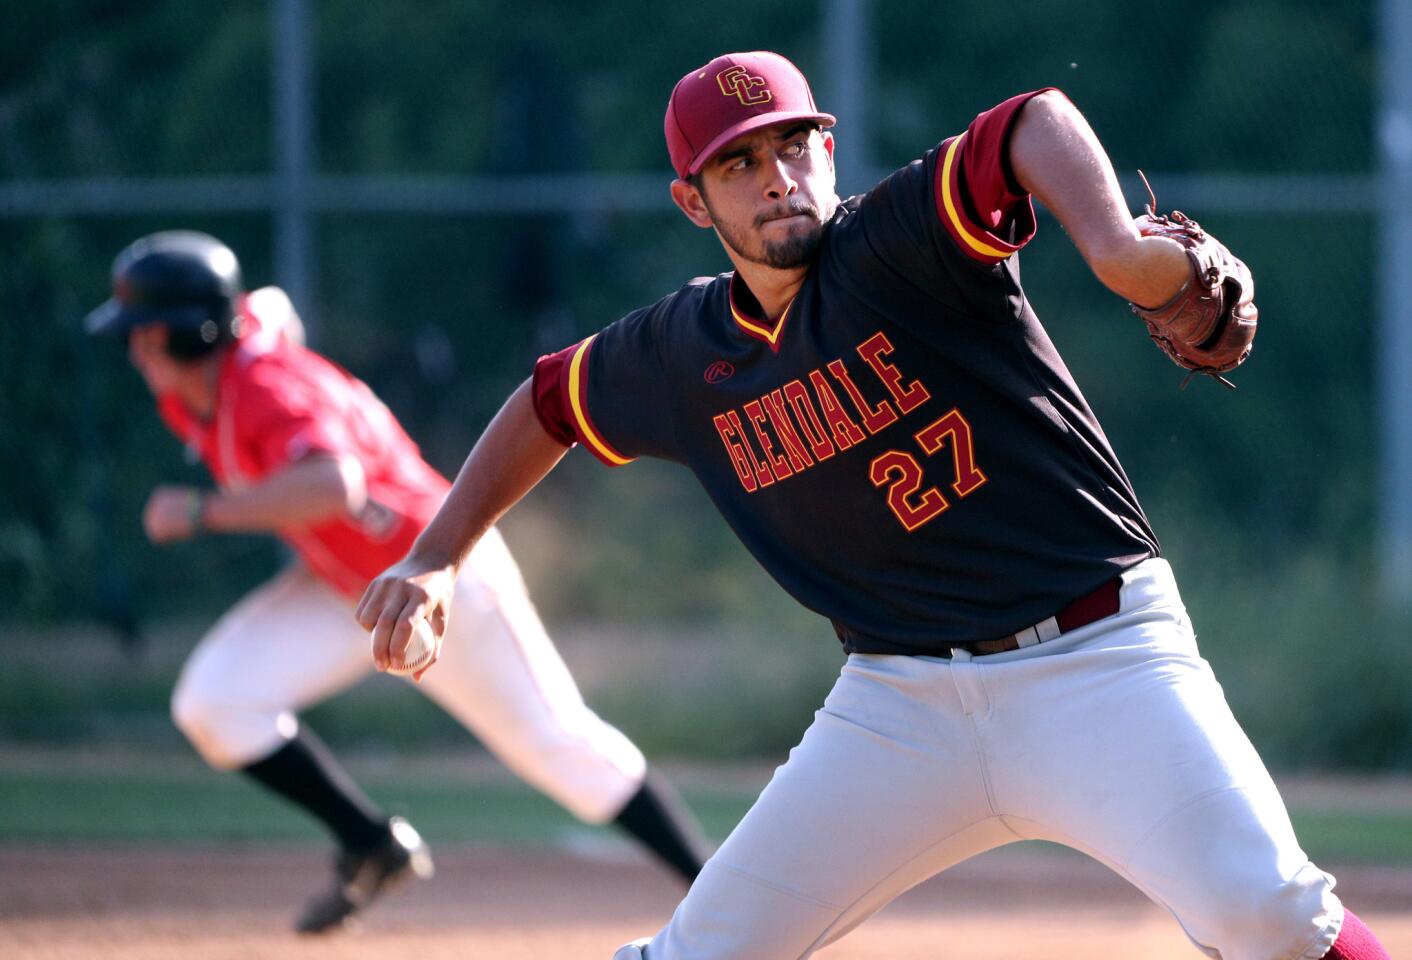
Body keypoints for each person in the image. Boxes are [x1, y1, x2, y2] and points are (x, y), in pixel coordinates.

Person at [355, 51, 1390, 960]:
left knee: (1268, 917)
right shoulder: (681, 353)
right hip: (898, 707)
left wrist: (1116, 249)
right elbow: (548, 403)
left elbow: (1030, 121)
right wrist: (438, 556)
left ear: (829, 151)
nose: (777, 181)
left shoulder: (900, 242)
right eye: (738, 165)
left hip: (1098, 661)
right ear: (692, 203)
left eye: (794, 146)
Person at [85, 231, 708, 935]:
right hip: (342, 587)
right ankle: (370, 843)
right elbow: (269, 310)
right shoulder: (205, 379)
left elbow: (336, 484)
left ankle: (717, 884)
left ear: (198, 333)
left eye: (149, 333)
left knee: (560, 745)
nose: (136, 349)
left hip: (439, 573)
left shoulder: (263, 386)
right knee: (215, 701)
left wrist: (202, 511)